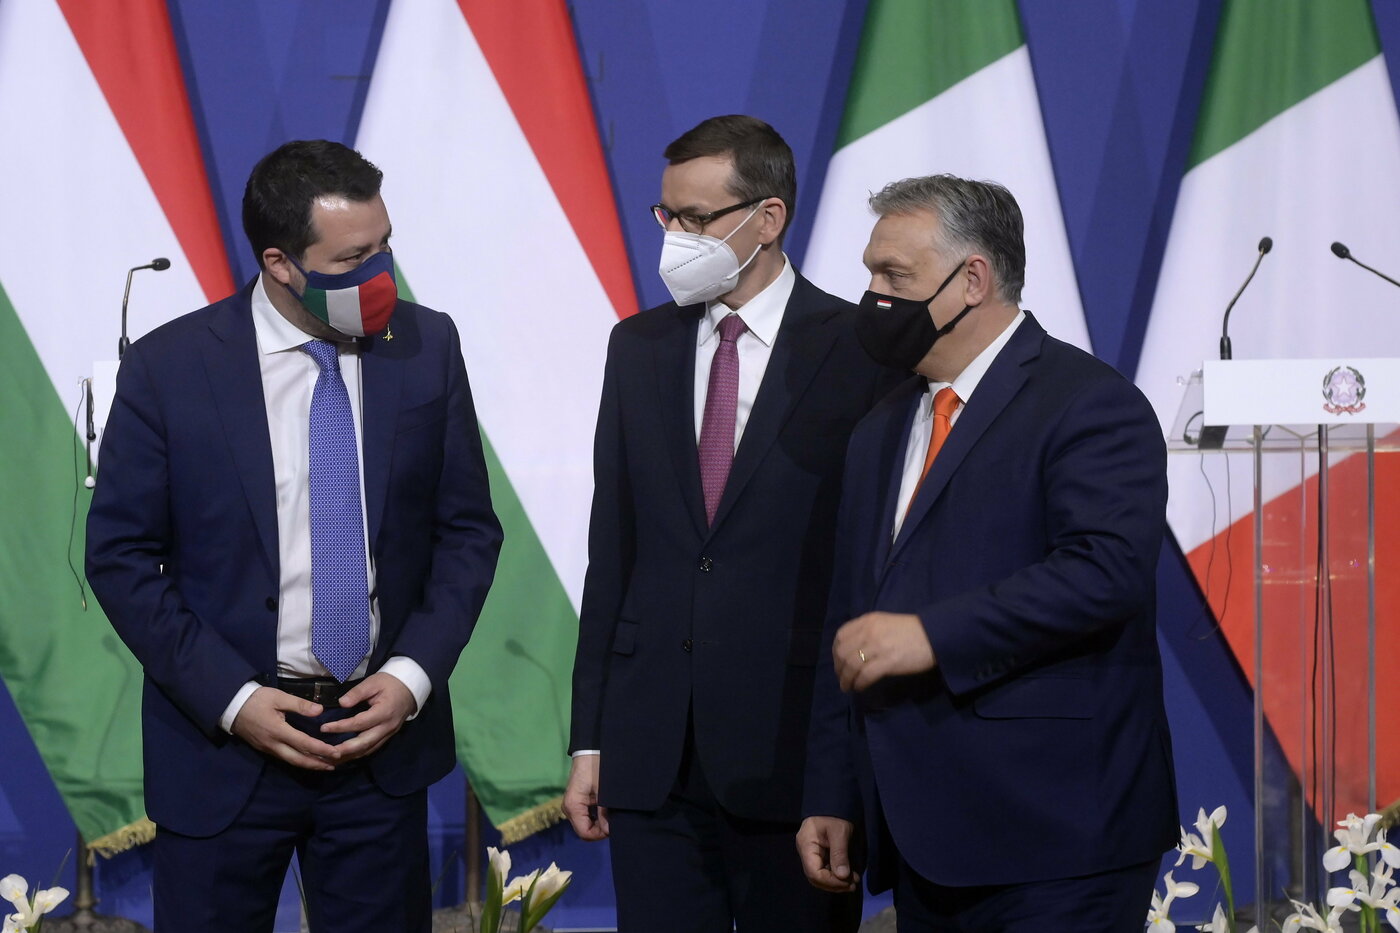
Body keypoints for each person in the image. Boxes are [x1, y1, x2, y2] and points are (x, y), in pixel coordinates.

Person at [86, 139, 502, 932]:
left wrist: (412, 675)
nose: (381, 274)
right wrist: (234, 699)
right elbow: (121, 557)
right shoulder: (169, 368)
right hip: (223, 751)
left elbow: (467, 533)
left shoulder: (426, 346)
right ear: (280, 263)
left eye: (384, 246)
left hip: (378, 751)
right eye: (352, 259)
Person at [798, 175, 1177, 932]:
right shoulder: (879, 429)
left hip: (1060, 836)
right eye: (871, 274)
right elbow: (851, 623)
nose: (872, 297)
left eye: (894, 276)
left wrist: (932, 634)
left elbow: (1105, 572)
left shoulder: (1088, 401)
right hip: (922, 842)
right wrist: (833, 793)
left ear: (972, 280)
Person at [564, 114, 895, 932]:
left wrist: (842, 774)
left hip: (792, 759)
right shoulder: (637, 346)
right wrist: (590, 739)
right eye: (666, 214)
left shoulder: (862, 350)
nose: (674, 236)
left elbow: (869, 567)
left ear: (768, 218)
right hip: (652, 758)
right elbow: (615, 552)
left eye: (696, 218)